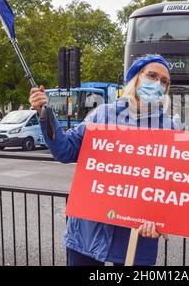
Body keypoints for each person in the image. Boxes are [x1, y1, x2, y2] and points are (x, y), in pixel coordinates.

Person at [29, 54, 174, 266]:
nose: (157, 83)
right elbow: (65, 150)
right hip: (88, 230)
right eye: (152, 75)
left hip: (137, 234)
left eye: (164, 81)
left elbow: (174, 184)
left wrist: (162, 218)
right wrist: (45, 113)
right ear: (135, 78)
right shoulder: (103, 115)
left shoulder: (169, 127)